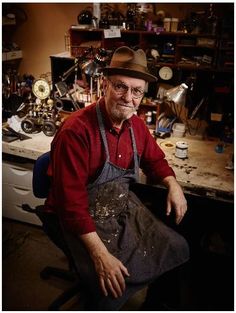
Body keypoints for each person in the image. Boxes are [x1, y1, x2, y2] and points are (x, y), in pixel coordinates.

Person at [44, 46, 189, 310]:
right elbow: (71, 205)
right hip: (76, 217)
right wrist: (100, 255)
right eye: (121, 87)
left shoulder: (135, 125)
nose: (128, 98)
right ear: (105, 84)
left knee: (177, 247)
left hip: (118, 208)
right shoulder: (76, 131)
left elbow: (155, 159)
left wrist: (172, 183)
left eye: (136, 91)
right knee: (110, 287)